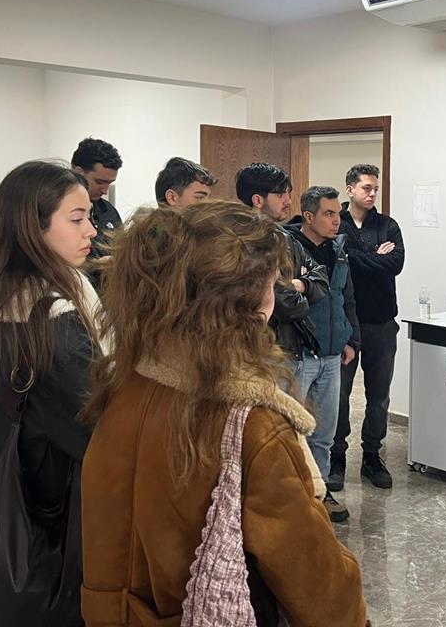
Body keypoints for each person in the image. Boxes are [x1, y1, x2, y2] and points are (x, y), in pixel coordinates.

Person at [80, 202, 368, 626]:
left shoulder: (125, 381)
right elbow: (317, 584)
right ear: (251, 304)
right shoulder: (253, 424)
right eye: (273, 283)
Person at [0, 161, 100, 624]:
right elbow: (96, 432)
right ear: (32, 227)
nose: (91, 230)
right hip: (43, 521)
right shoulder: (53, 320)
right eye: (77, 218)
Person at [288, 186, 361, 524]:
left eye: (338, 214)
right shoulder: (288, 247)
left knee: (325, 433)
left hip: (332, 355)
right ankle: (293, 494)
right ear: (309, 216)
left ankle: (320, 492)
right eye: (329, 214)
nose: (336, 221)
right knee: (293, 430)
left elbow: (346, 299)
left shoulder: (339, 249)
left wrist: (351, 339)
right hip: (300, 354)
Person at [331, 164, 404, 491]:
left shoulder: (388, 225)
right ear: (350, 189)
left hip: (381, 323)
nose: (372, 193)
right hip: (346, 324)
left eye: (375, 188)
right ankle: (336, 456)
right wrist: (374, 256)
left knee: (379, 396)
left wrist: (358, 257)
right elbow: (339, 261)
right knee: (340, 395)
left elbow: (396, 264)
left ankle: (372, 456)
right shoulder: (336, 222)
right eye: (366, 188)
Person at [235, 163, 328, 366]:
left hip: (291, 349)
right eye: (280, 195)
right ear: (258, 200)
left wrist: (300, 284)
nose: (288, 200)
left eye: (288, 193)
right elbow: (289, 305)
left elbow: (321, 276)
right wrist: (302, 300)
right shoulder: (243, 240)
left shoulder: (285, 237)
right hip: (262, 351)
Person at [71, 137, 123, 263]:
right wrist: (95, 267)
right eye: (100, 182)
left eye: (110, 183)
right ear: (78, 173)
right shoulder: (56, 211)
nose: (105, 191)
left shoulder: (109, 211)